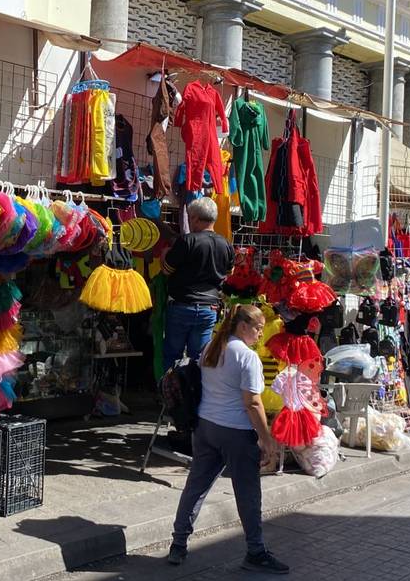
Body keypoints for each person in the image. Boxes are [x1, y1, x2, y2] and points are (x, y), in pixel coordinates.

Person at [167, 304, 289, 574]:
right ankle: (256, 552)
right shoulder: (247, 357)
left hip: (205, 427)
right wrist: (267, 439)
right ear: (243, 326)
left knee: (196, 486)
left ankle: (178, 544)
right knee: (247, 492)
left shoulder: (211, 346)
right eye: (258, 328)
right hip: (235, 432)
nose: (260, 334)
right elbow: (253, 404)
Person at [161, 197, 234, 373]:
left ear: (195, 218)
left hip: (182, 305)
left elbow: (166, 270)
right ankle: (195, 396)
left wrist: (164, 254)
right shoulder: (226, 244)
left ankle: (170, 396)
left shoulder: (187, 241)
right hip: (209, 308)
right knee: (199, 358)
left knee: (173, 355)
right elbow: (229, 272)